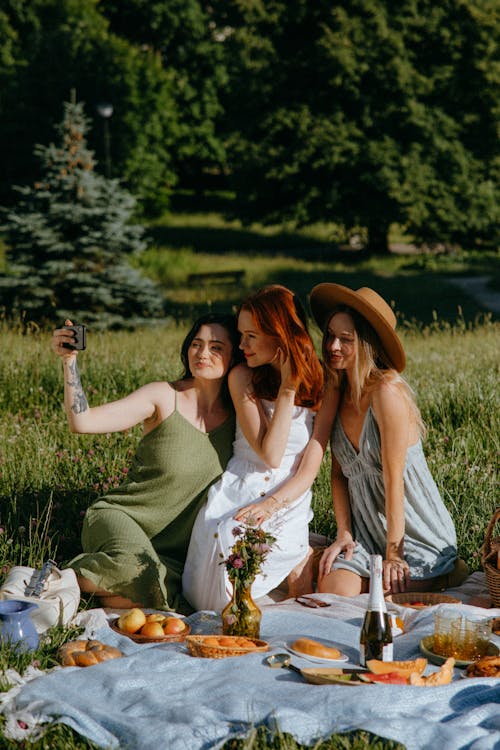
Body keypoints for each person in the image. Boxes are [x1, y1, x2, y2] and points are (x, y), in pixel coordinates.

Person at [51, 313, 242, 613]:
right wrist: (69, 361)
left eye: (216, 347)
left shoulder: (240, 420)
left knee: (179, 597)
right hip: (123, 518)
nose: (203, 353)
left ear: (234, 357)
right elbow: (82, 421)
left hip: (174, 553)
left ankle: (97, 589)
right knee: (141, 574)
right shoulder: (163, 396)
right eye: (197, 343)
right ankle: (53, 579)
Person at [308, 283, 465, 596]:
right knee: (333, 585)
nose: (333, 346)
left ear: (367, 344)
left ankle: (445, 573)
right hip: (367, 535)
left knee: (386, 586)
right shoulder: (337, 393)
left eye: (346, 339)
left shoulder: (386, 393)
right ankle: (399, 583)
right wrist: (343, 533)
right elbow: (338, 474)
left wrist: (394, 553)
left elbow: (395, 480)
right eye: (330, 335)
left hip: (411, 534)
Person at [182, 284, 325, 611]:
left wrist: (274, 505)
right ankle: (301, 553)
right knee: (208, 596)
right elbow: (270, 454)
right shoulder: (242, 377)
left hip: (289, 493)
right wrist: (288, 389)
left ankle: (301, 550)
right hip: (243, 483)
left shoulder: (321, 380)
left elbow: (309, 467)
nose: (241, 345)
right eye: (241, 334)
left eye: (251, 336)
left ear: (279, 336)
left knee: (240, 588)